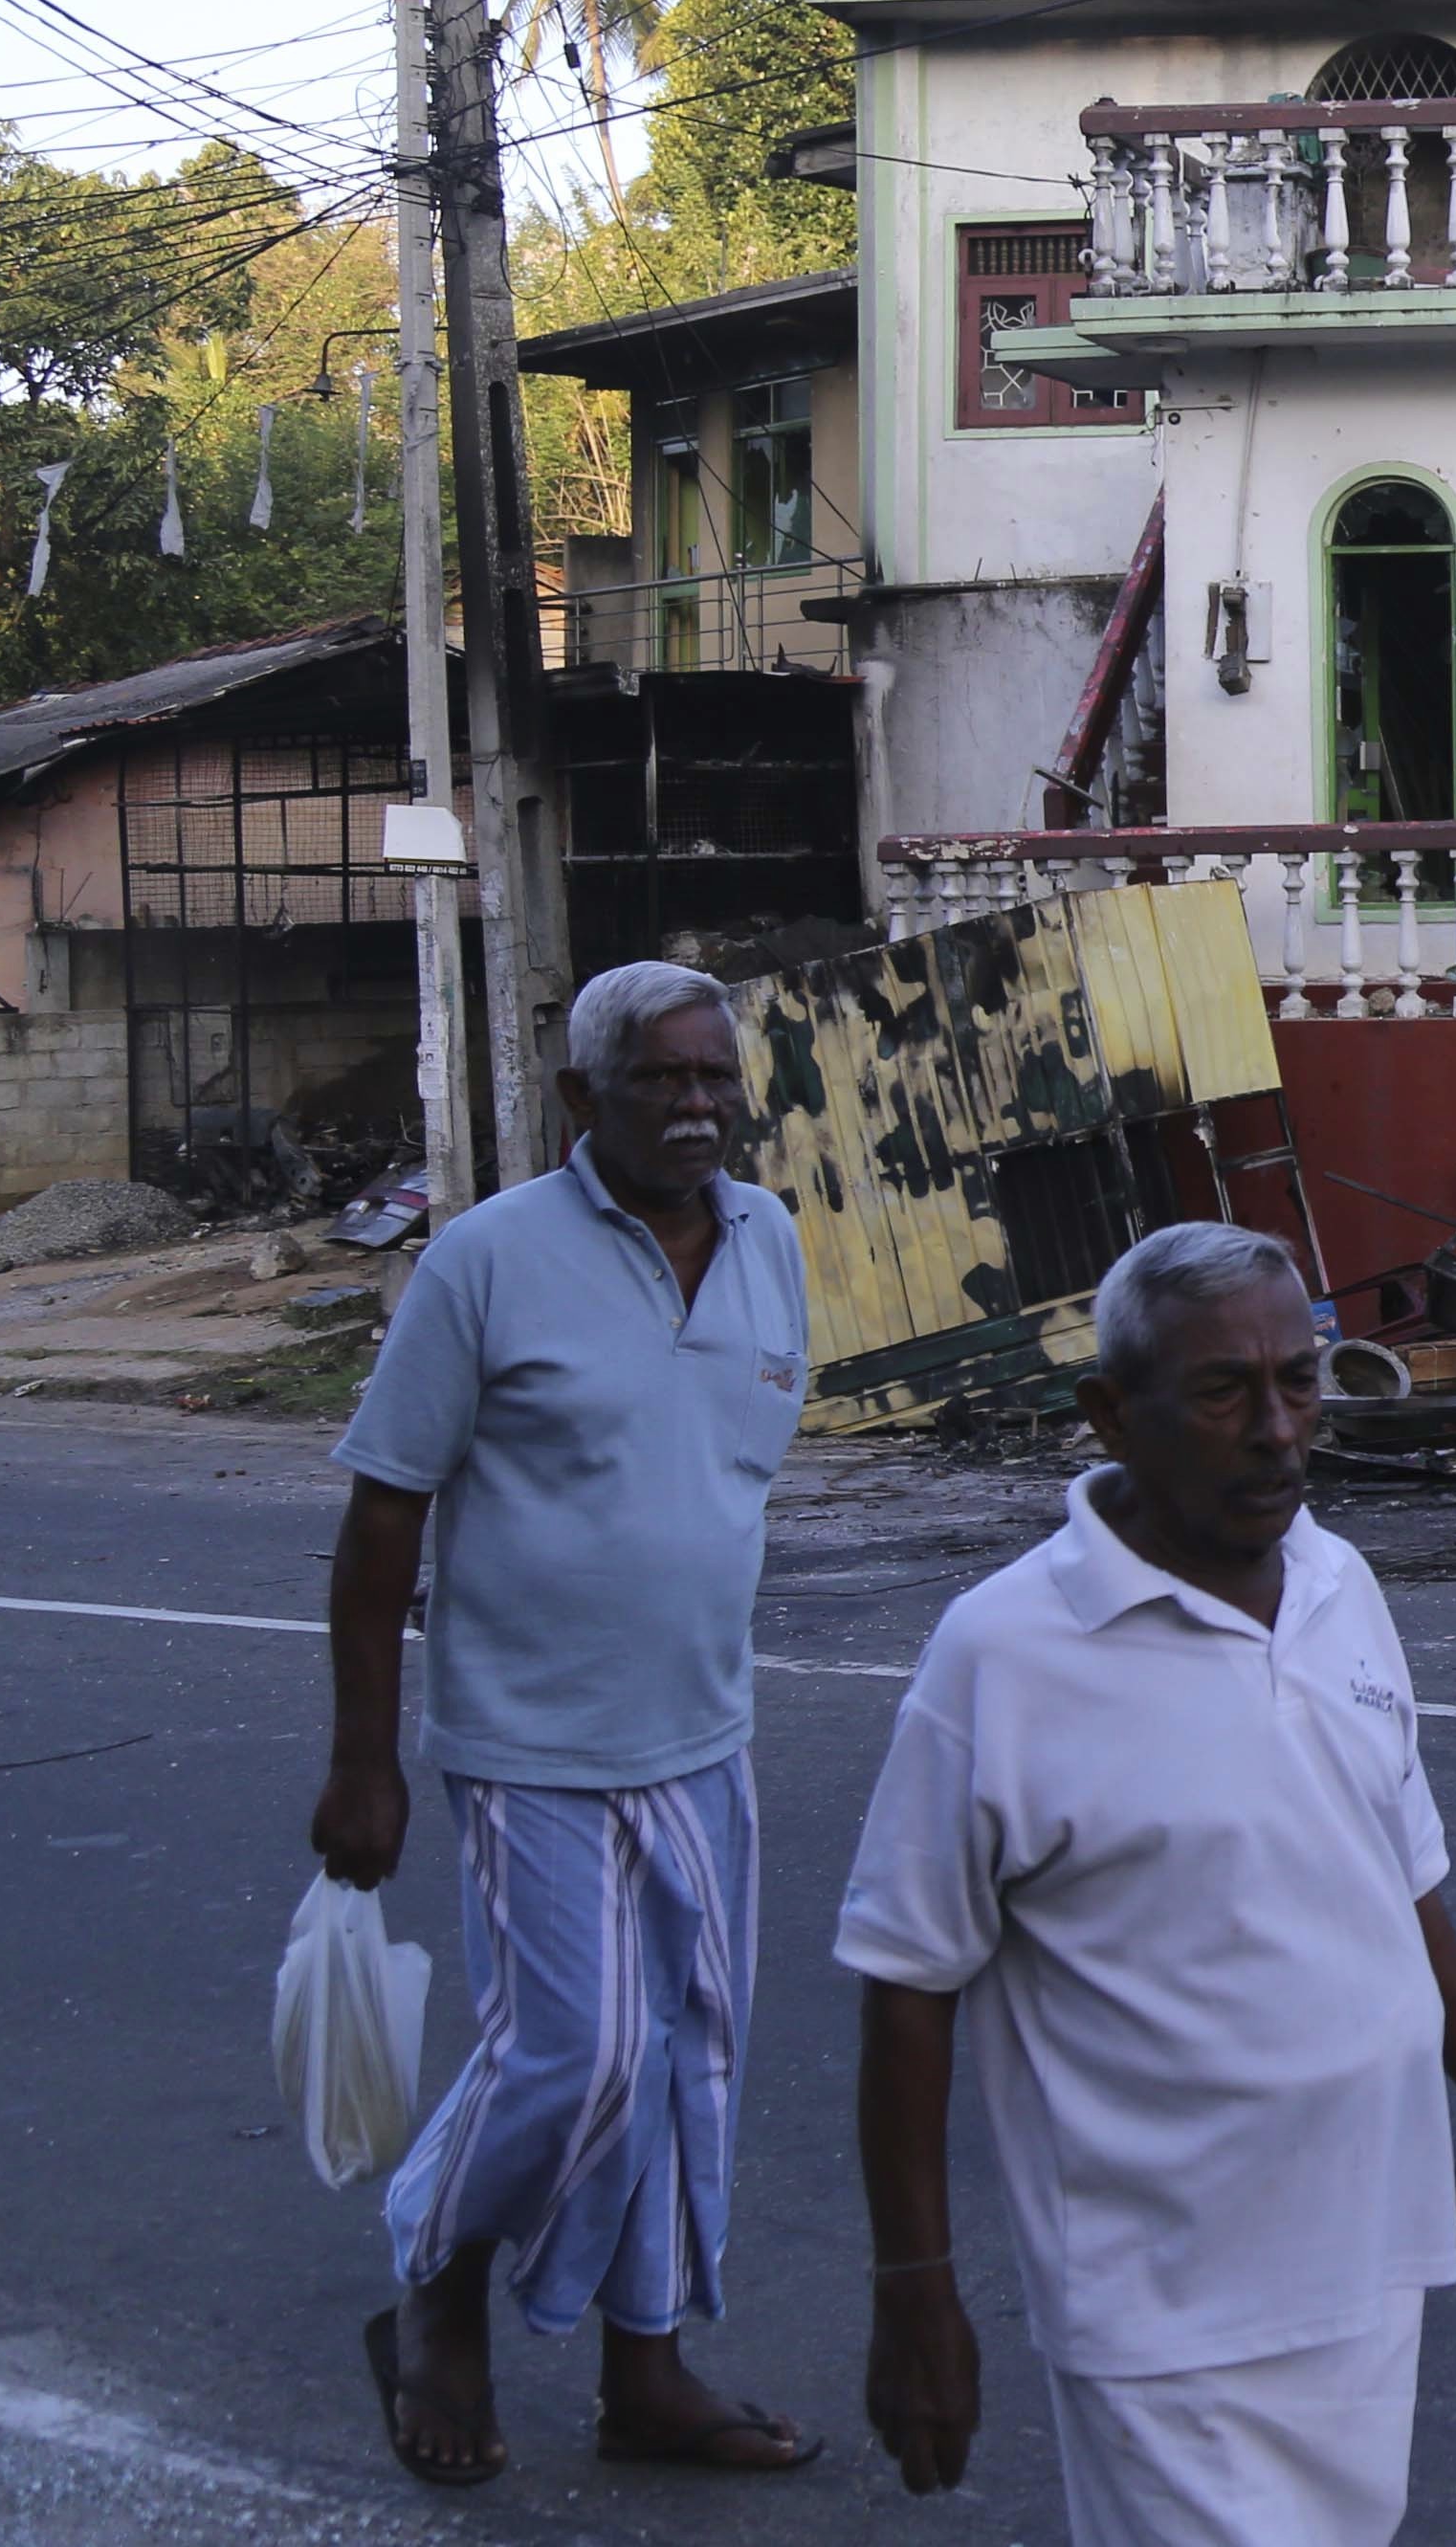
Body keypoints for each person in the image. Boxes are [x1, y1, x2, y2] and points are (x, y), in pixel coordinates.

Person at [835, 1220, 1456, 2547]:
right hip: (1159, 2296)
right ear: (1111, 1414)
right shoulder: (1002, 1657)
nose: (1278, 1429)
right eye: (1225, 1392)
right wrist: (914, 2289)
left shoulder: (1339, 1584)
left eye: (1299, 1380)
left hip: (1369, 2243)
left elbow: (1396, 1860)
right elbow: (906, 1979)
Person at [312, 959, 824, 2491]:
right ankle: (439, 2286)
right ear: (579, 1098)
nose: (697, 1105)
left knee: (688, 2063)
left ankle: (645, 2369)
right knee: (580, 2056)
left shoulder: (768, 1239)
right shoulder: (485, 1259)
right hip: (531, 1746)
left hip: (703, 1732)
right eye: (662, 1079)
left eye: (715, 1077)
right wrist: (363, 1761)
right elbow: (381, 1519)